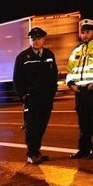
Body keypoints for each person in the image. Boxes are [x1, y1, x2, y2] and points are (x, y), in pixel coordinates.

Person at [12, 27, 60, 165]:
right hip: (31, 99)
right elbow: (17, 79)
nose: (36, 41)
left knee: (41, 126)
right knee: (31, 126)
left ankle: (36, 151)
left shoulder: (49, 55)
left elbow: (53, 75)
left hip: (46, 99)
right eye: (33, 38)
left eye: (38, 38)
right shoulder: (22, 57)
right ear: (30, 40)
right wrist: (24, 97)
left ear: (43, 39)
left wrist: (53, 93)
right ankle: (32, 153)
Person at [65, 19, 93, 159]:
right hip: (80, 92)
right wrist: (71, 83)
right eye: (83, 32)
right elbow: (70, 69)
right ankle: (83, 150)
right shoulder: (77, 50)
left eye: (88, 32)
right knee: (83, 123)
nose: (84, 35)